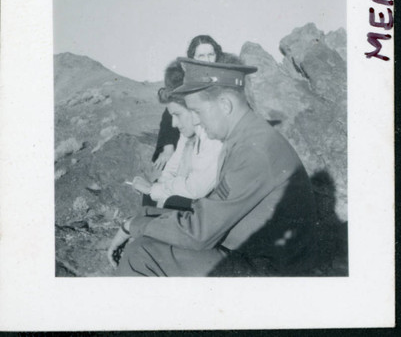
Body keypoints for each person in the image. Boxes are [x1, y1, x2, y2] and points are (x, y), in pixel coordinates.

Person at [108, 58, 317, 277]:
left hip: (272, 269)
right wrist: (143, 216)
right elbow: (209, 215)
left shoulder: (253, 151)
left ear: (225, 105)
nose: (196, 122)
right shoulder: (246, 137)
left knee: (141, 254)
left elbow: (199, 233)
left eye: (197, 111)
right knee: (148, 234)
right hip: (256, 253)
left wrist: (133, 225)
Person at [131, 60, 223, 209]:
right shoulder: (190, 132)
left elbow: (196, 188)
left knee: (170, 201)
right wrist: (155, 188)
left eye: (178, 115)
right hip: (196, 201)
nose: (173, 124)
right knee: (155, 195)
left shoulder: (213, 136)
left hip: (213, 208)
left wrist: (153, 190)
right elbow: (171, 169)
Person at [152, 35, 223, 172]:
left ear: (217, 55)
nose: (207, 60)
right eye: (201, 56)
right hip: (190, 135)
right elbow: (171, 111)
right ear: (193, 59)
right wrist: (168, 146)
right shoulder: (185, 79)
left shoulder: (224, 77)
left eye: (210, 55)